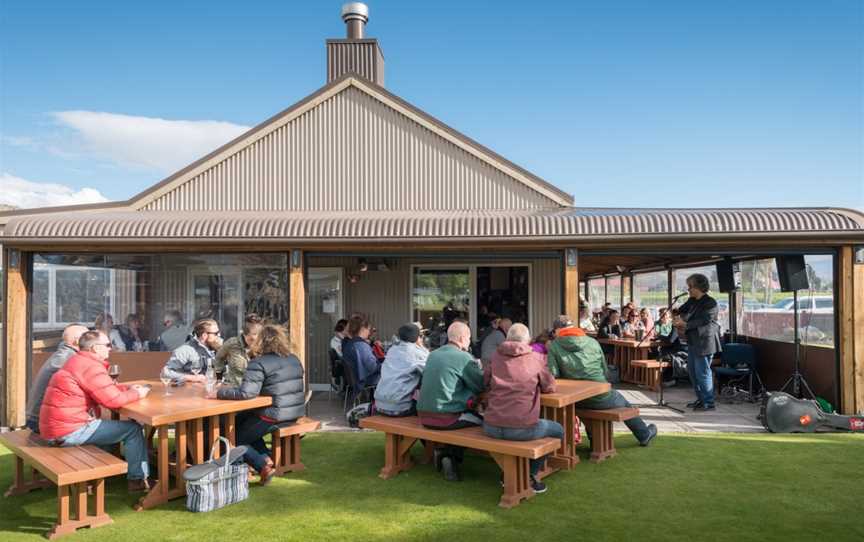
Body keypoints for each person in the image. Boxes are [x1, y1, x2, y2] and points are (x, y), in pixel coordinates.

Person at [39, 331, 152, 492]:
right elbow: (113, 401)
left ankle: (99, 477)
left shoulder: (77, 361)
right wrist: (137, 393)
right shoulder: (90, 366)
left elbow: (102, 390)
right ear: (95, 348)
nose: (110, 348)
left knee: (110, 427)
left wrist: (126, 388)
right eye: (107, 345)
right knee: (132, 429)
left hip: (56, 428)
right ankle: (138, 481)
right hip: (67, 431)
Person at [211, 324, 304, 485]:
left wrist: (218, 393)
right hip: (294, 411)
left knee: (234, 437)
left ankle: (262, 467)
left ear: (261, 342)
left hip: (271, 415)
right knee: (239, 424)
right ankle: (265, 457)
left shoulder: (259, 363)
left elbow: (246, 393)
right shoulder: (293, 358)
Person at [546, 315, 657, 446]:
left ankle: (595, 441)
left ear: (557, 330)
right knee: (623, 403)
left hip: (574, 400)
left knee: (587, 406)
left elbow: (554, 375)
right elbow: (605, 371)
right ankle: (644, 435)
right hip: (600, 395)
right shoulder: (592, 342)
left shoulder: (554, 346)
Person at [483, 323, 561, 494]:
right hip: (521, 428)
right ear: (527, 340)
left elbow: (485, 381)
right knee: (558, 430)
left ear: (507, 338)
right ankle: (529, 474)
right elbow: (549, 386)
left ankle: (511, 472)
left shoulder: (496, 356)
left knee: (524, 427)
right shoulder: (536, 358)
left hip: (491, 426)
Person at [417, 321, 485, 482]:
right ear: (462, 338)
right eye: (469, 338)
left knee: (463, 417)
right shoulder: (464, 357)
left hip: (423, 415)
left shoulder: (433, 354)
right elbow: (479, 385)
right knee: (483, 421)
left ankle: (442, 452)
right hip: (446, 417)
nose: (470, 342)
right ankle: (450, 456)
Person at [25, 324, 89, 433]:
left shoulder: (63, 354)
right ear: (77, 341)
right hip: (41, 421)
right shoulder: (68, 359)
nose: (92, 340)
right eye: (88, 337)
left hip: (36, 418)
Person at [675, 273, 722, 411]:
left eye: (690, 286)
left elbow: (704, 320)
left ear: (698, 287)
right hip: (693, 341)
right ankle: (701, 399)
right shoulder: (692, 300)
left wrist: (684, 323)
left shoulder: (710, 302)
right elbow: (682, 310)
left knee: (702, 373)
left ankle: (709, 402)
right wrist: (675, 312)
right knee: (692, 372)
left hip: (704, 343)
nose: (688, 289)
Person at [374, 323, 429, 417]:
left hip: (378, 404)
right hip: (398, 407)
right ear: (417, 338)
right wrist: (422, 347)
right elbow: (432, 369)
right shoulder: (417, 352)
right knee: (427, 409)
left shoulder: (392, 350)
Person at [161, 318, 223, 384]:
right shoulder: (186, 350)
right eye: (216, 333)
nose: (219, 335)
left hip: (211, 390)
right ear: (204, 335)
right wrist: (193, 378)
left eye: (219, 332)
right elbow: (165, 373)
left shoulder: (215, 348)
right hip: (190, 392)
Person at [214, 314, 263, 387]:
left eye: (258, 339)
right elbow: (218, 358)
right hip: (234, 388)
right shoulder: (232, 343)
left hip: (256, 389)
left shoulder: (265, 346)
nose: (254, 343)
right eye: (251, 339)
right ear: (244, 334)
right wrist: (219, 379)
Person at [341, 314, 381, 392]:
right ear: (363, 329)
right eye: (369, 329)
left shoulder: (350, 343)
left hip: (357, 378)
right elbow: (372, 367)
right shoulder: (361, 346)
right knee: (391, 376)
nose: (369, 332)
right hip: (364, 380)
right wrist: (386, 365)